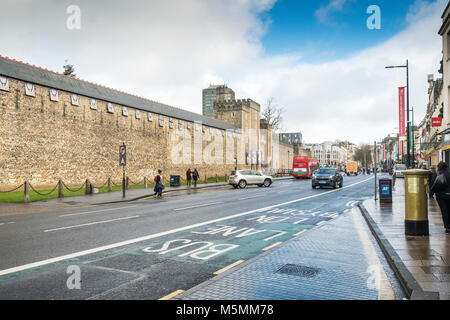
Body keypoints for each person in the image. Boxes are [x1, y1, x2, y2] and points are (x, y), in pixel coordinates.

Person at [430, 162, 450, 233]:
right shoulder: (448, 173)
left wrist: (432, 193)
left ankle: (447, 227)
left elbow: (433, 184)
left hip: (440, 195)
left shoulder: (437, 174)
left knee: (444, 210)